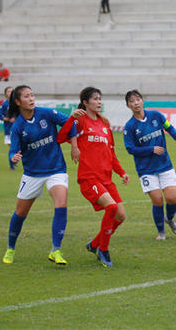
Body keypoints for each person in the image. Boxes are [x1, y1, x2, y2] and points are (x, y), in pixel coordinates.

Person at [2, 85, 79, 266]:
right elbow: (13, 150)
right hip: (32, 174)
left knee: (61, 202)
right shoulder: (18, 127)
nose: (31, 99)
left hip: (56, 169)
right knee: (20, 213)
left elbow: (70, 124)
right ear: (18, 102)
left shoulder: (47, 113)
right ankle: (11, 247)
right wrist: (13, 157)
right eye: (27, 96)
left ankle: (56, 250)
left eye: (32, 95)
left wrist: (74, 146)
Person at [57, 87, 130, 268]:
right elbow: (60, 137)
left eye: (100, 99)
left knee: (120, 216)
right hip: (89, 178)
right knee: (111, 207)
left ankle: (94, 244)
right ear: (85, 102)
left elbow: (111, 153)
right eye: (95, 99)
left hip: (106, 179)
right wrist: (72, 119)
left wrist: (121, 172)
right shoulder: (80, 121)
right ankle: (103, 250)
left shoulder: (104, 123)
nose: (99, 102)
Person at [123, 89, 176, 240]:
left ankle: (170, 219)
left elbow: (169, 127)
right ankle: (161, 233)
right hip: (146, 169)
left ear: (142, 101)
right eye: (131, 101)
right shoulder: (130, 126)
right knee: (158, 200)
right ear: (128, 106)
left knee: (172, 198)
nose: (135, 103)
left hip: (164, 164)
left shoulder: (156, 116)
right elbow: (130, 149)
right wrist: (151, 149)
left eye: (137, 99)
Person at [0, 86, 15, 164]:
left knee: (18, 148)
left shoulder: (18, 103)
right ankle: (12, 164)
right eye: (9, 91)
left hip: (18, 129)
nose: (10, 93)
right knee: (12, 148)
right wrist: (8, 119)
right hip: (8, 130)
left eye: (12, 91)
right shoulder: (4, 104)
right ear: (5, 94)